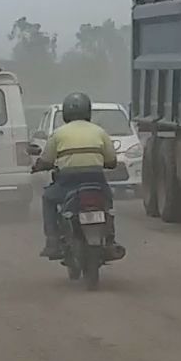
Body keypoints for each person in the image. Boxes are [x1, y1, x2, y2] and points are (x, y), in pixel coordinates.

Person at [33, 92, 119, 260]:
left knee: (48, 199)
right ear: (88, 112)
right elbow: (112, 161)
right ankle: (110, 239)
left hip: (68, 181)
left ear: (65, 113)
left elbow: (47, 159)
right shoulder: (100, 132)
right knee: (107, 202)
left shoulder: (58, 134)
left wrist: (38, 166)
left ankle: (53, 242)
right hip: (95, 179)